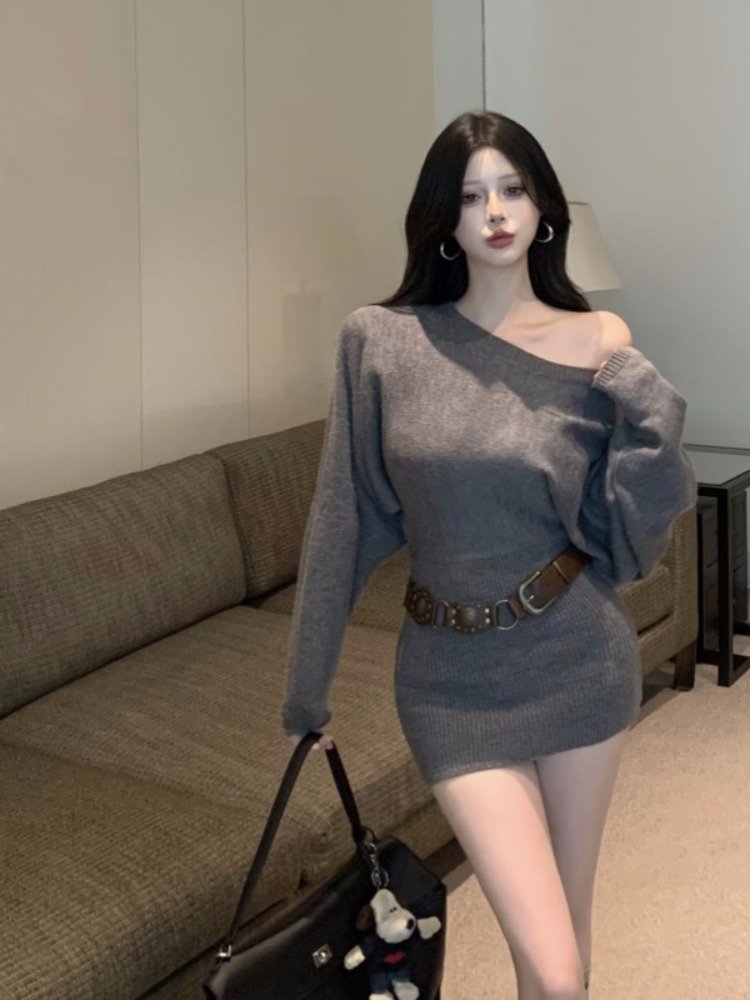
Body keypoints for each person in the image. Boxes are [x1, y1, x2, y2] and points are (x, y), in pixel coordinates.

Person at [282, 110, 697, 999]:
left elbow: (630, 544)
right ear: (445, 219)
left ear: (544, 208)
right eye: (472, 197)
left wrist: (650, 409)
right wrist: (306, 690)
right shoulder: (382, 342)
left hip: (578, 657)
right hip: (450, 682)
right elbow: (341, 519)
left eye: (513, 189)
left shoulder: (598, 341)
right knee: (554, 963)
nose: (496, 212)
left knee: (561, 954)